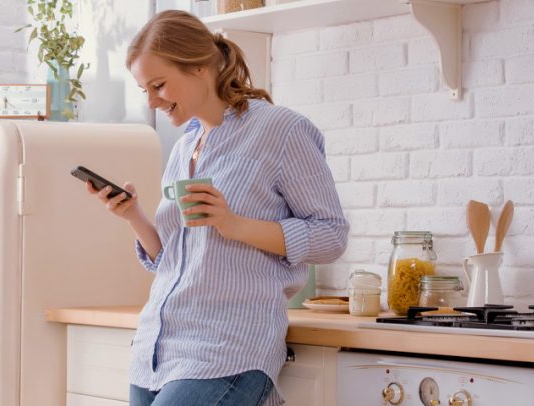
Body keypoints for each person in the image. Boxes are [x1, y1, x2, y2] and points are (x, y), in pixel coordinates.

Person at [85, 9, 349, 406]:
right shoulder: (184, 149)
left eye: (159, 85)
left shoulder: (281, 130)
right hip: (157, 352)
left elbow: (331, 235)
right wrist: (133, 216)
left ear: (198, 67)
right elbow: (177, 260)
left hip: (227, 351)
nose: (152, 102)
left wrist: (235, 224)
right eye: (145, 91)